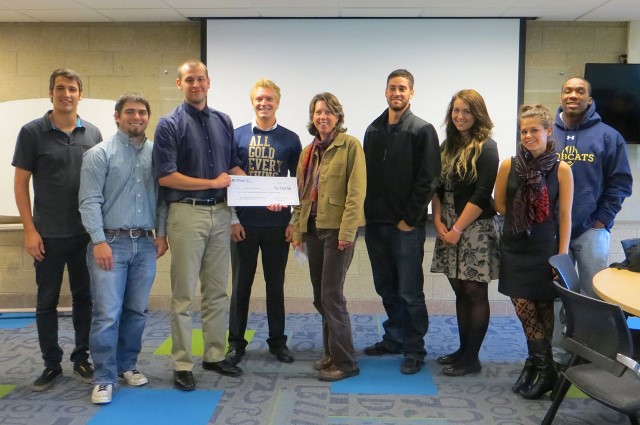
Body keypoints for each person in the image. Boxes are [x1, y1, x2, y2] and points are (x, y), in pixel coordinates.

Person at [153, 59, 245, 391]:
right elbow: (166, 177)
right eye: (189, 79)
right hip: (187, 214)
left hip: (221, 214)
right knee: (182, 294)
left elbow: (233, 166)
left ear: (209, 82)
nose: (196, 84)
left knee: (217, 291)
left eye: (201, 79)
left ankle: (214, 355)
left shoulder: (223, 120)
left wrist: (261, 191)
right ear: (180, 84)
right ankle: (181, 362)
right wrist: (211, 182)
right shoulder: (168, 124)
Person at [12, 68, 102, 392]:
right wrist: (29, 231)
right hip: (46, 236)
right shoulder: (31, 132)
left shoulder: (93, 133)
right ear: (51, 93)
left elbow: (100, 182)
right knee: (46, 302)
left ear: (80, 94)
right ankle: (51, 364)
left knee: (84, 299)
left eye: (73, 89)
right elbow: (21, 183)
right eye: (61, 88)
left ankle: (81, 357)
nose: (67, 94)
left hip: (85, 235)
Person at [79, 94, 169, 404]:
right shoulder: (98, 154)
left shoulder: (157, 154)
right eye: (129, 111)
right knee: (107, 315)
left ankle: (127, 365)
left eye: (142, 112)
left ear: (148, 117)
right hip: (110, 245)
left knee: (137, 311)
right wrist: (98, 240)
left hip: (145, 243)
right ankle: (104, 376)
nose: (137, 116)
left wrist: (162, 234)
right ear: (117, 116)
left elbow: (161, 199)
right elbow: (89, 201)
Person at [362, 69, 440, 375]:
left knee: (410, 291)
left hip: (406, 227)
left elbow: (429, 179)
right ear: (385, 92)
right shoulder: (372, 130)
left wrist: (410, 220)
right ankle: (393, 338)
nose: (397, 93)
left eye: (403, 88)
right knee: (386, 288)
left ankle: (414, 349)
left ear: (411, 94)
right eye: (393, 88)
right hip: (375, 225)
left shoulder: (422, 130)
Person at [496, 104, 573, 400]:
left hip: (545, 248)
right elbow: (500, 204)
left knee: (543, 308)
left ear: (548, 131)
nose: (528, 136)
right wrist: (523, 216)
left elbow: (565, 215)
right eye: (523, 131)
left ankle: (539, 368)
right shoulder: (508, 165)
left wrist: (561, 256)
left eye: (534, 130)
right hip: (516, 248)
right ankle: (546, 369)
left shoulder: (562, 169)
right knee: (525, 308)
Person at [226, 79, 302, 365]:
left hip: (277, 225)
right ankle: (235, 343)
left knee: (275, 285)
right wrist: (232, 219)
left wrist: (294, 220)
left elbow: (297, 183)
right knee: (240, 286)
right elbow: (229, 180)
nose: (264, 103)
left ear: (278, 102)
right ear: (252, 102)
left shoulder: (291, 139)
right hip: (244, 224)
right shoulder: (236, 136)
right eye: (259, 99)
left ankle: (277, 342)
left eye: (269, 99)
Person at [291, 92, 366, 382]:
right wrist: (298, 230)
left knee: (332, 296)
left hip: (337, 231)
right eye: (317, 112)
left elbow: (356, 193)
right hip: (313, 229)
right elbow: (301, 194)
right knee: (320, 297)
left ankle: (346, 363)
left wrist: (347, 232)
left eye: (328, 112)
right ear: (312, 117)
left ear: (338, 116)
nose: (322, 116)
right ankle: (332, 353)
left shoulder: (350, 146)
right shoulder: (309, 151)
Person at [430, 89, 501, 377]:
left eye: (466, 111)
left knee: (474, 290)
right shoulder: (447, 144)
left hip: (474, 227)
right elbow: (435, 187)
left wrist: (458, 228)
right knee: (459, 289)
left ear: (478, 114)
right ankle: (463, 350)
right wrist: (437, 222)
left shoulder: (487, 147)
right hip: (447, 225)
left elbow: (483, 194)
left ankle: (472, 358)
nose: (460, 116)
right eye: (456, 110)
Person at [553, 77, 632, 298]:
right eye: (568, 91)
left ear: (590, 100)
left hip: (592, 231)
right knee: (558, 294)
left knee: (594, 296)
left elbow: (621, 183)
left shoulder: (609, 136)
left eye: (580, 91)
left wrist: (601, 221)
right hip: (553, 230)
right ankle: (560, 335)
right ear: (561, 96)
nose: (573, 95)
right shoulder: (547, 134)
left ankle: (592, 334)